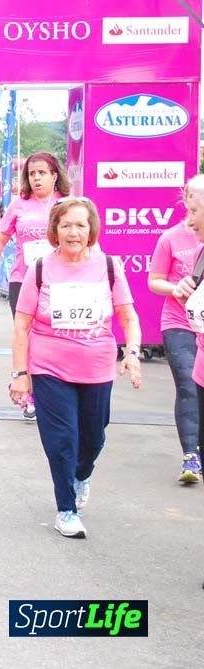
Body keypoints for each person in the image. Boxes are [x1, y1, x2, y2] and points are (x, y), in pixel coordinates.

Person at [10, 197, 141, 539]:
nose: (73, 232)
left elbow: (128, 317)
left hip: (97, 366)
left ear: (91, 229)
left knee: (93, 439)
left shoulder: (109, 266)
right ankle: (66, 509)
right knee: (62, 440)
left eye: (80, 225)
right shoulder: (40, 269)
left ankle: (82, 474)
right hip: (49, 366)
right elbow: (21, 325)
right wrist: (20, 374)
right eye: (66, 225)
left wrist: (133, 352)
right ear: (55, 230)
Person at [0, 152, 70, 419]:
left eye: (42, 173)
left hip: (60, 282)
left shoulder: (67, 203)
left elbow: (86, 239)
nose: (36, 178)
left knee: (52, 337)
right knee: (24, 336)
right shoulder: (19, 205)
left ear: (54, 175)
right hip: (23, 280)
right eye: (31, 174)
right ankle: (28, 392)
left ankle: (55, 388)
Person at [153, 177, 204, 483]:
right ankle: (191, 455)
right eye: (189, 205)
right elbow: (154, 280)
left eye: (195, 208)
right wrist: (177, 287)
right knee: (188, 384)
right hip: (178, 322)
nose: (190, 214)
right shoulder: (171, 238)